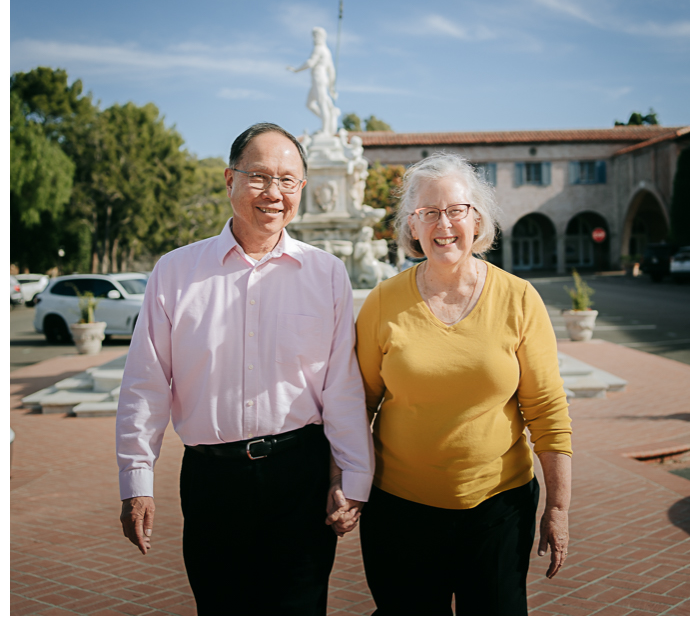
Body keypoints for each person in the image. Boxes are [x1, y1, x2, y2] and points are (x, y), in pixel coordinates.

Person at [116, 122, 373, 616]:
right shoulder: (175, 272)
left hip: (301, 476)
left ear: (302, 187)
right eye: (259, 177)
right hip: (214, 482)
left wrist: (353, 475)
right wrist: (136, 479)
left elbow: (341, 384)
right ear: (229, 180)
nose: (274, 193)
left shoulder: (327, 274)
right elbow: (145, 383)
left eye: (288, 180)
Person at [355, 153, 572, 615]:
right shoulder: (381, 302)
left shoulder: (519, 298)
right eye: (428, 212)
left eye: (455, 210)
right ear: (412, 227)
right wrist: (345, 481)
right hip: (399, 512)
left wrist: (558, 507)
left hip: (498, 510)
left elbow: (548, 411)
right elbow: (358, 405)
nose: (443, 224)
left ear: (477, 219)